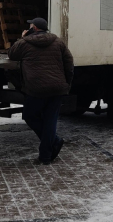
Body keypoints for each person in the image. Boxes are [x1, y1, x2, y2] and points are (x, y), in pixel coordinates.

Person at [7, 17, 74, 165]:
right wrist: (66, 84)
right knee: (50, 120)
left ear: (34, 28)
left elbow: (11, 54)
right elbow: (69, 64)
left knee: (30, 116)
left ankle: (55, 142)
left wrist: (22, 37)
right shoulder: (58, 42)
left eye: (30, 25)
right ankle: (46, 154)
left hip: (36, 89)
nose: (29, 26)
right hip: (57, 88)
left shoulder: (24, 43)